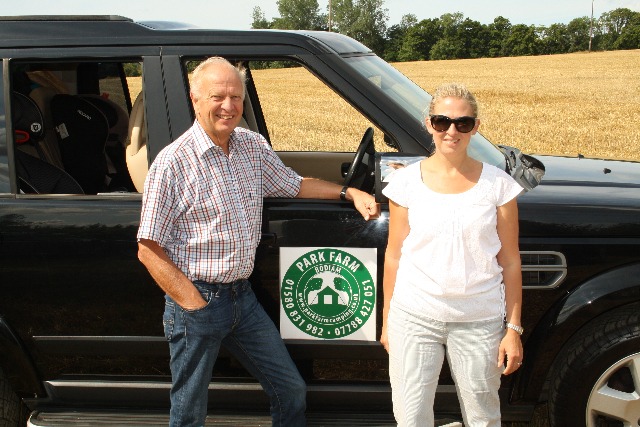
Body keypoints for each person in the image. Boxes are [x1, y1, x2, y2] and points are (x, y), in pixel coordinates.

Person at [136, 56, 378, 427]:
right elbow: (148, 249)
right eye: (218, 97)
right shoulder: (173, 164)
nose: (229, 106)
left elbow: (294, 185)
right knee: (189, 410)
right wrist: (194, 305)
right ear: (195, 98)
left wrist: (349, 193)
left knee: (290, 390)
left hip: (242, 299)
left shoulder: (251, 145)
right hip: (197, 301)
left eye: (236, 97)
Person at [380, 83, 523, 426]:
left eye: (463, 123)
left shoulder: (499, 185)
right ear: (429, 124)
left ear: (475, 127)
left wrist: (513, 329)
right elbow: (394, 255)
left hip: (479, 320)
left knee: (483, 417)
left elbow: (511, 261)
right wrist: (387, 322)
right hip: (413, 318)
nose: (452, 131)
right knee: (411, 417)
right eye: (442, 122)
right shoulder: (405, 183)